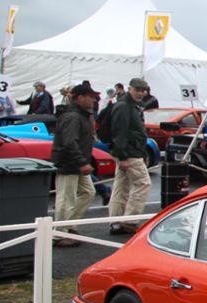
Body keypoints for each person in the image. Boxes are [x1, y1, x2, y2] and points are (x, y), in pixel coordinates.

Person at [50, 82, 99, 245]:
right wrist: (82, 162)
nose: (94, 100)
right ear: (80, 97)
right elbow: (69, 142)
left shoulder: (81, 115)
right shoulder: (72, 117)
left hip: (76, 163)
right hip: (69, 163)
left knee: (88, 192)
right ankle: (59, 234)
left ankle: (69, 225)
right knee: (66, 199)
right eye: (91, 97)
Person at [108, 78, 152, 235]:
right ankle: (130, 220)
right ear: (130, 89)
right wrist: (123, 156)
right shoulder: (125, 107)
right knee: (142, 183)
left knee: (122, 186)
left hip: (126, 151)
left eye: (143, 90)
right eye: (137, 90)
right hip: (130, 152)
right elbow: (120, 132)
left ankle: (116, 221)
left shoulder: (128, 105)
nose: (141, 93)